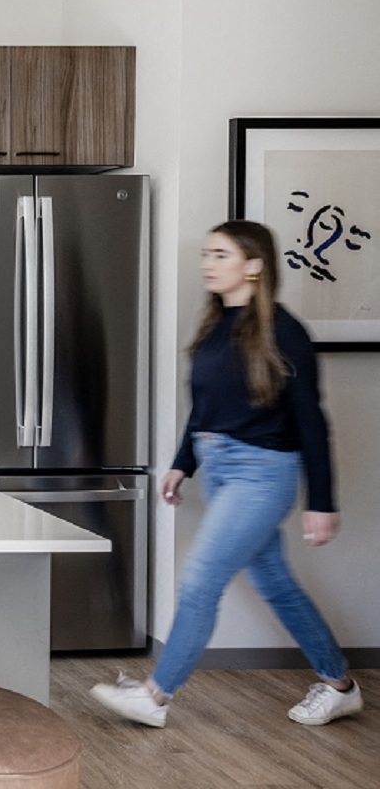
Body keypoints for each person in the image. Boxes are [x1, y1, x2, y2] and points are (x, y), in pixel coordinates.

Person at [91, 220, 361, 728]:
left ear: (254, 265)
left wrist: (322, 501)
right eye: (206, 254)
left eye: (220, 254)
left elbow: (312, 422)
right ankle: (338, 682)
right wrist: (182, 463)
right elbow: (205, 408)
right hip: (219, 469)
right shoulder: (215, 325)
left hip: (263, 475)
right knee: (278, 584)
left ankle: (155, 696)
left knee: (200, 582)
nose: (206, 264)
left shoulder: (286, 332)